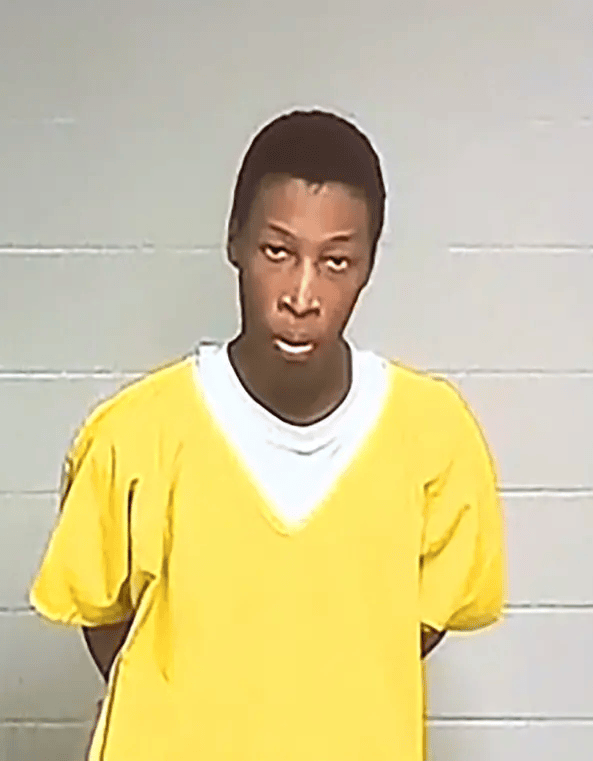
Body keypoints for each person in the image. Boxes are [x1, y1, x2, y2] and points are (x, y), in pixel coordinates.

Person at [29, 108, 507, 761]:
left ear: (368, 265)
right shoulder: (135, 436)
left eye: (336, 261)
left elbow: (412, 627)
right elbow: (106, 622)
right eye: (277, 253)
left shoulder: (432, 438)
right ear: (235, 242)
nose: (301, 295)